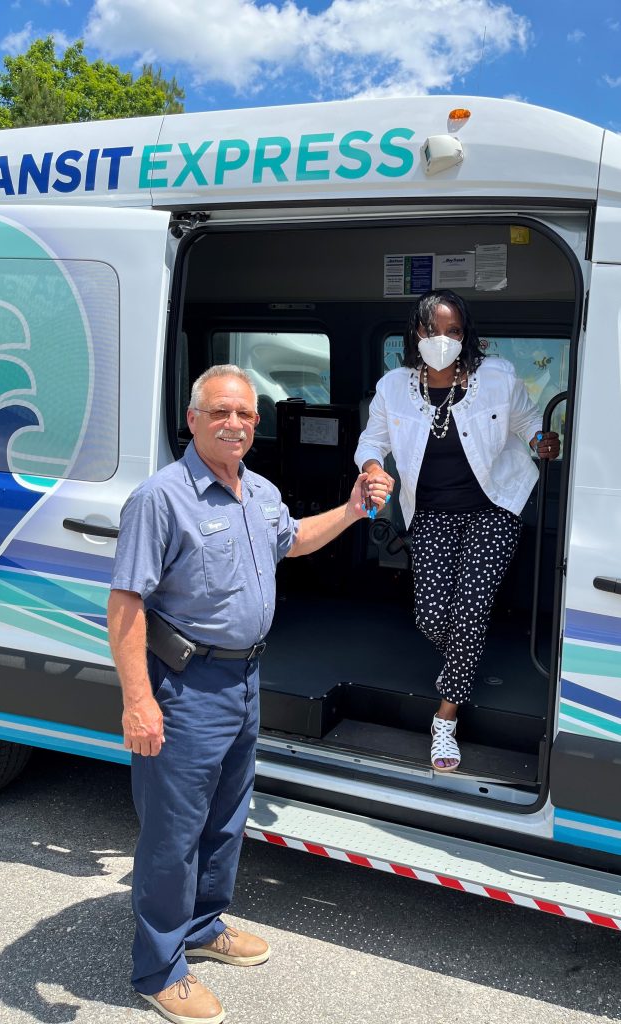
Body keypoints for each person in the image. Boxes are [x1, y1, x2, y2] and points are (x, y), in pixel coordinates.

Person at [107, 364, 388, 1024]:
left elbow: (292, 542)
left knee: (226, 818)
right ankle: (158, 969)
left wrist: (352, 509)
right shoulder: (162, 497)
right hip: (184, 686)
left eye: (246, 414)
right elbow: (125, 606)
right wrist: (139, 701)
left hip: (244, 679)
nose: (235, 422)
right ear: (193, 419)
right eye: (221, 412)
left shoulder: (258, 490)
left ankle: (203, 927)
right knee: (172, 836)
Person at [354, 290, 560, 774]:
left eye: (454, 331)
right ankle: (467, 652)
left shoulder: (496, 378)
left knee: (469, 606)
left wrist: (539, 440)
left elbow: (528, 423)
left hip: (495, 507)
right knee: (430, 615)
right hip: (430, 513)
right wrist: (370, 467)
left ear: (465, 336)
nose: (443, 340)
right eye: (433, 330)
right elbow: (372, 440)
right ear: (416, 333)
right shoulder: (393, 388)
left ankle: (445, 716)